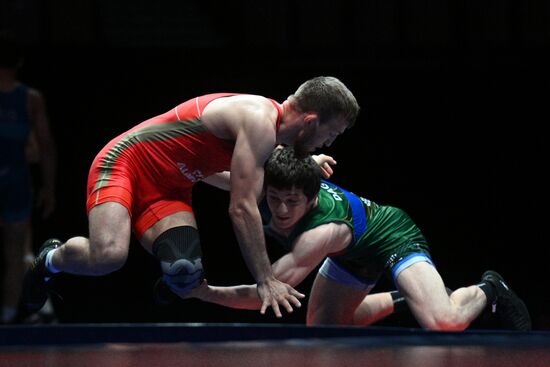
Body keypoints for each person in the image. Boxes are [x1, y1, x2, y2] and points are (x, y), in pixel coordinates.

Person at [22, 76, 360, 318]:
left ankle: (171, 273)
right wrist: (265, 279)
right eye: (331, 134)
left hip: (168, 188)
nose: (329, 143)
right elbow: (241, 208)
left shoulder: (268, 133)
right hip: (125, 163)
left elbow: (244, 181)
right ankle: (51, 258)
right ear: (312, 121)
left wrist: (306, 160)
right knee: (108, 255)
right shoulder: (258, 121)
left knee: (185, 273)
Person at [184, 146, 532, 331]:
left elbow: (269, 292)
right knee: (323, 328)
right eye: (274, 199)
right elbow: (230, 177)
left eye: (293, 202)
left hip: (392, 236)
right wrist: (184, 165)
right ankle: (405, 296)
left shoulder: (318, 235)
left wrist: (205, 292)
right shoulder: (284, 180)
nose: (282, 210)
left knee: (445, 323)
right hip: (353, 253)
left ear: (313, 196)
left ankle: (490, 289)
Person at [0, 30, 57, 323]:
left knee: (19, 249)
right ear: (19, 62)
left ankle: (12, 315)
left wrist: (48, 186)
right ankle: (21, 312)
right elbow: (41, 148)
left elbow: (41, 147)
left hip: (15, 181)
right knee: (19, 250)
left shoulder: (29, 99)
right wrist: (49, 187)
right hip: (17, 182)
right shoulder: (30, 99)